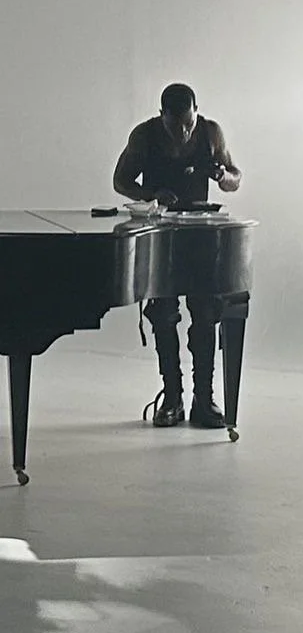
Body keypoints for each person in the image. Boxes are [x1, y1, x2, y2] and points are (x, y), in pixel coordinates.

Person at [112, 83, 242, 429]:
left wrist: (220, 175)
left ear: (196, 112)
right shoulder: (144, 135)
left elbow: (235, 179)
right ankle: (172, 396)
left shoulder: (211, 132)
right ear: (162, 116)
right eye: (176, 125)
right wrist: (151, 193)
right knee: (164, 312)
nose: (184, 132)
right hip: (161, 230)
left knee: (205, 310)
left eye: (189, 123)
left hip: (200, 229)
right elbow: (120, 180)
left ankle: (204, 398)